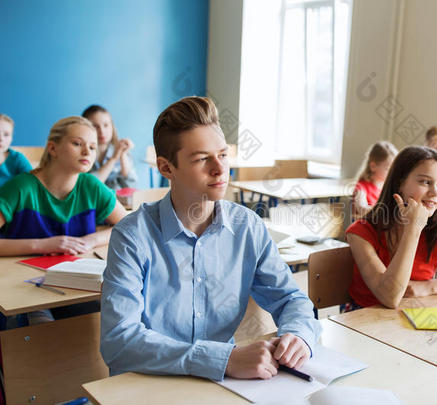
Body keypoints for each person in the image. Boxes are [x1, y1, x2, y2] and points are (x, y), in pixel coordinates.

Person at [100, 96, 321, 381]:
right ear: (167, 168)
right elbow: (119, 342)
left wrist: (299, 335)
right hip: (147, 384)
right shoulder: (132, 236)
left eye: (223, 154)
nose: (220, 169)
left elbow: (291, 299)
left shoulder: (247, 227)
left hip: (223, 383)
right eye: (203, 159)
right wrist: (223, 359)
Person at [346, 146, 437, 309]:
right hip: (361, 325)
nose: (435, 193)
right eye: (425, 182)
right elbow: (390, 297)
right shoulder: (361, 232)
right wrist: (413, 229)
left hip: (412, 322)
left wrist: (429, 287)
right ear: (400, 183)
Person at [0, 116, 127, 256]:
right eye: (77, 144)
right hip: (17, 275)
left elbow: (127, 225)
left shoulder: (92, 186)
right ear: (53, 148)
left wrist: (91, 240)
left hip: (75, 275)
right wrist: (41, 245)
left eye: (92, 147)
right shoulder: (20, 187)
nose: (87, 152)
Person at [82, 105, 137, 190]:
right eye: (95, 126)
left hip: (118, 202)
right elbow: (90, 187)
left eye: (106, 125)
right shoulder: (82, 154)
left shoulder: (120, 151)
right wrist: (114, 159)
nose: (102, 131)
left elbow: (131, 186)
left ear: (112, 127)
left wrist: (123, 156)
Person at [352, 141, 398, 218]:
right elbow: (362, 209)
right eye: (387, 169)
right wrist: (385, 210)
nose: (391, 173)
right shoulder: (361, 187)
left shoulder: (385, 187)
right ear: (373, 166)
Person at [0, 114, 32, 187]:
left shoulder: (17, 158)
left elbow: (32, 181)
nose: (1, 139)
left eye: (6, 134)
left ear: (11, 138)